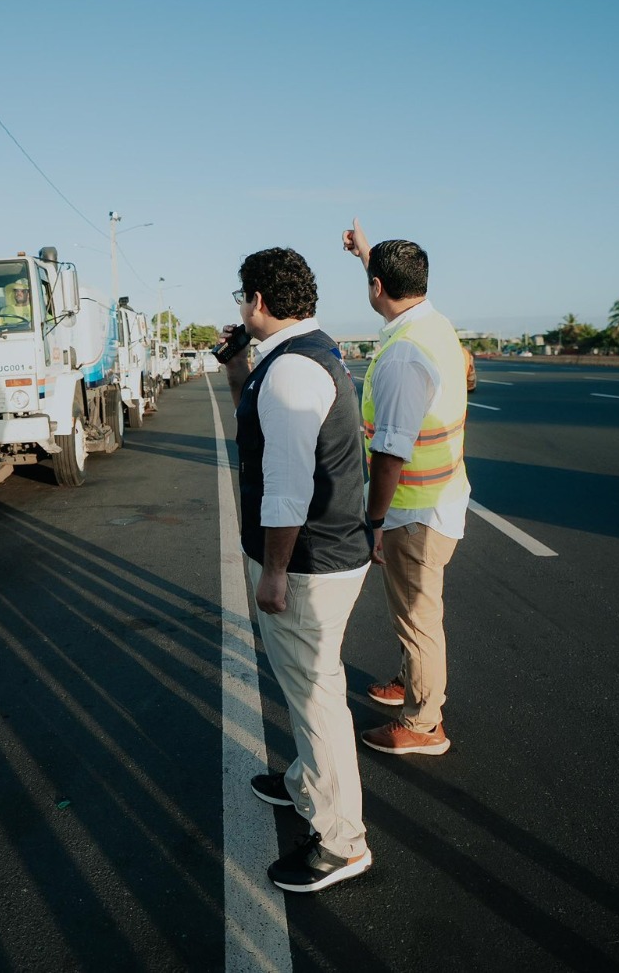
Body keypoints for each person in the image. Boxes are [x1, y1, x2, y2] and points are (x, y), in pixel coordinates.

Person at [224, 246, 373, 893]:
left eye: (241, 296)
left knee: (317, 700)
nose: (239, 307)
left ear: (257, 300)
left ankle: (342, 840)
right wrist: (236, 366)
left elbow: (287, 487)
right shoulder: (305, 354)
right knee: (314, 687)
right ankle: (306, 784)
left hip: (308, 563)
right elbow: (256, 424)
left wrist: (274, 572)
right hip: (329, 554)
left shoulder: (289, 373)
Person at [343, 218, 470, 757]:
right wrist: (366, 253)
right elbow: (390, 284)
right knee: (412, 612)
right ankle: (412, 684)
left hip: (413, 512)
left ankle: (423, 724)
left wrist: (373, 521)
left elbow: (390, 454)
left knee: (419, 619)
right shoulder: (433, 324)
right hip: (438, 499)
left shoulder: (400, 356)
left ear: (378, 288)